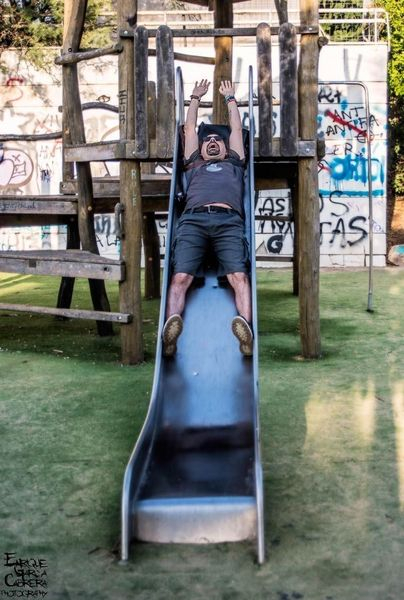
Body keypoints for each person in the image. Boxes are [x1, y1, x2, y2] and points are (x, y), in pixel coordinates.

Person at [162, 79, 253, 358]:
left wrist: (230, 99)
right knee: (180, 277)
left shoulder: (235, 162)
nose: (212, 142)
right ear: (200, 150)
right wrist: (194, 97)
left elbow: (236, 129)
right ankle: (169, 335)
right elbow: (190, 128)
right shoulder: (194, 164)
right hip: (194, 221)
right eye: (208, 141)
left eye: (217, 140)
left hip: (228, 222)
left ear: (226, 148)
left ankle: (246, 334)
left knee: (239, 276)